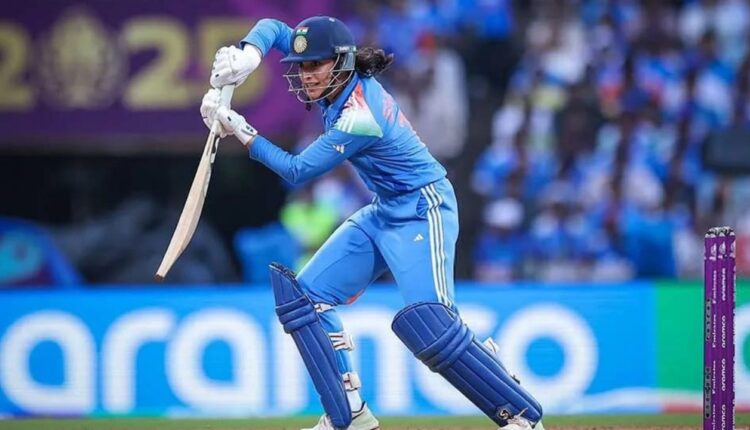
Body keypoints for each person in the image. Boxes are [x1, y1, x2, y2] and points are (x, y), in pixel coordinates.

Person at [200, 16, 544, 430]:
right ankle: (349, 414)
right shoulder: (333, 75)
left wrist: (239, 129)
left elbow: (297, 170)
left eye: (315, 66)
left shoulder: (361, 115)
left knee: (432, 324)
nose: (306, 75)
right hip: (384, 210)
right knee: (304, 298)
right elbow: (273, 26)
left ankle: (520, 414)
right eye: (302, 66)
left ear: (341, 62)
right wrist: (247, 55)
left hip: (423, 208)